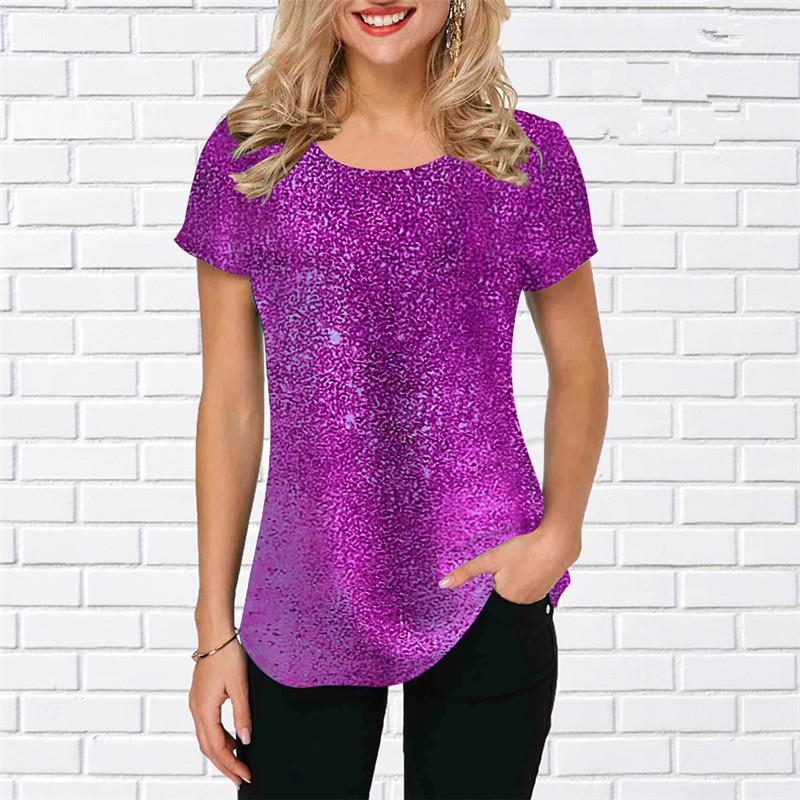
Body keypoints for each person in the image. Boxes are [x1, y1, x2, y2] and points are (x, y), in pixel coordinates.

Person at [175, 1, 608, 797]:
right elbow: (230, 402)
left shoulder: (524, 155)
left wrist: (558, 539)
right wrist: (213, 630)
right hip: (305, 588)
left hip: (486, 575)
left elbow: (580, 368)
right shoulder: (252, 156)